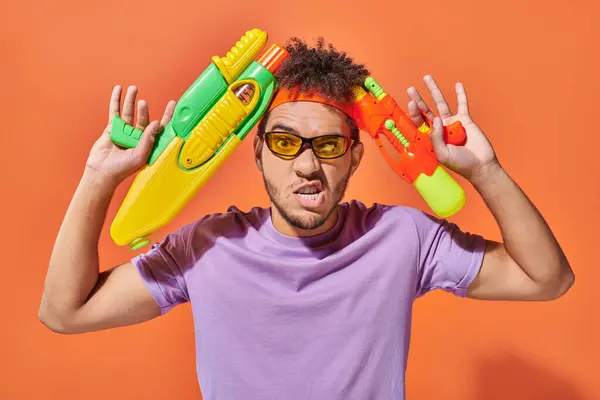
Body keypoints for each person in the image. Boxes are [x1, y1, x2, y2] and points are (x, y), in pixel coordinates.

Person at [39, 36, 574, 399]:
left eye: (327, 144)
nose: (308, 165)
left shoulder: (402, 239)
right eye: (286, 142)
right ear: (258, 152)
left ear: (356, 154)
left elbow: (547, 279)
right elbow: (64, 312)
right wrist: (97, 177)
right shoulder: (206, 247)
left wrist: (486, 171)